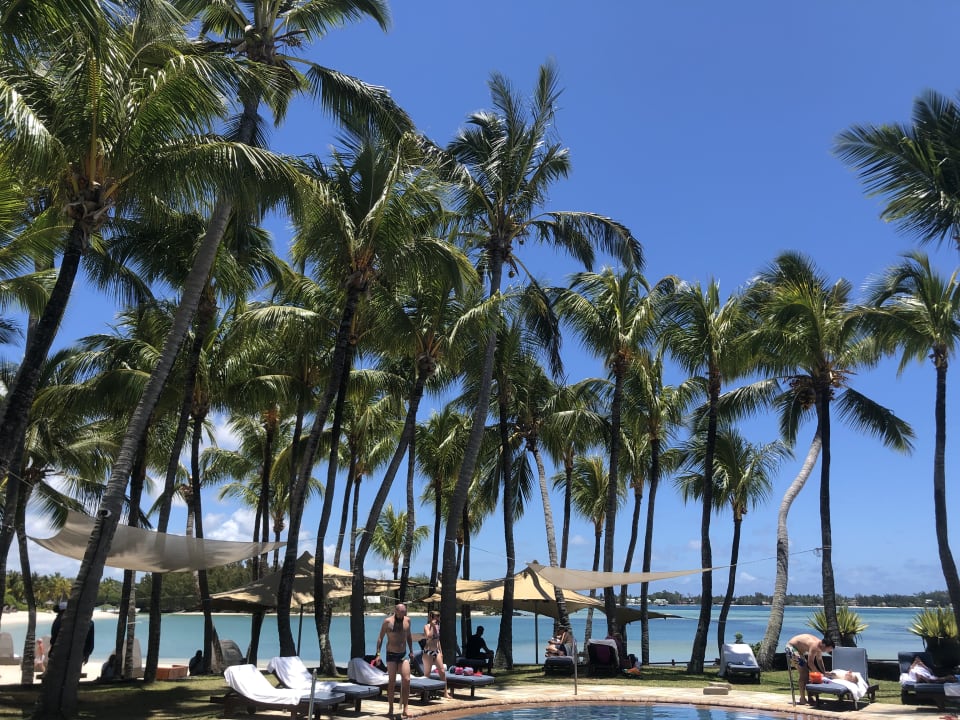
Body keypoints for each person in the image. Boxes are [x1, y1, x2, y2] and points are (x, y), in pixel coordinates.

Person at [375, 603, 414, 719]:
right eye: (401, 612)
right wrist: (378, 654)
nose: (403, 614)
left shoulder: (408, 621)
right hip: (391, 655)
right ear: (396, 611)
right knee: (391, 681)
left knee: (406, 679)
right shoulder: (387, 622)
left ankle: (406, 708)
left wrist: (411, 650)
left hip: (403, 654)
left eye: (405, 612)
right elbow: (380, 637)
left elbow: (409, 636)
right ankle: (391, 708)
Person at [786, 633, 834, 704]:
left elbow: (819, 660)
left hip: (799, 651)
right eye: (828, 650)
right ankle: (802, 698)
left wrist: (823, 672)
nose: (828, 652)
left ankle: (810, 698)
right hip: (791, 648)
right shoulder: (814, 645)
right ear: (824, 645)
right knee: (804, 672)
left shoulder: (820, 646)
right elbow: (810, 663)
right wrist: (819, 674)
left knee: (809, 674)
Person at [422, 611, 452, 697]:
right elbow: (429, 636)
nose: (437, 618)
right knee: (427, 673)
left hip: (437, 651)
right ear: (431, 618)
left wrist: (441, 652)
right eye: (435, 617)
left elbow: (438, 640)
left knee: (442, 671)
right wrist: (432, 626)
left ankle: (445, 692)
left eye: (438, 616)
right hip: (428, 652)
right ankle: (424, 692)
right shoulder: (426, 626)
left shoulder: (438, 627)